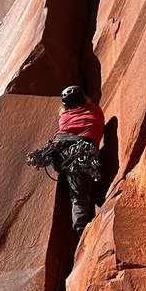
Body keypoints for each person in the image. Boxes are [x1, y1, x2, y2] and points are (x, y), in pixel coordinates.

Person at [41, 85, 104, 234]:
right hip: (83, 153)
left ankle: (80, 229)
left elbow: (65, 132)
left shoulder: (64, 117)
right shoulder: (95, 110)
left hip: (61, 154)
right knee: (79, 195)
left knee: (77, 193)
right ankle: (81, 229)